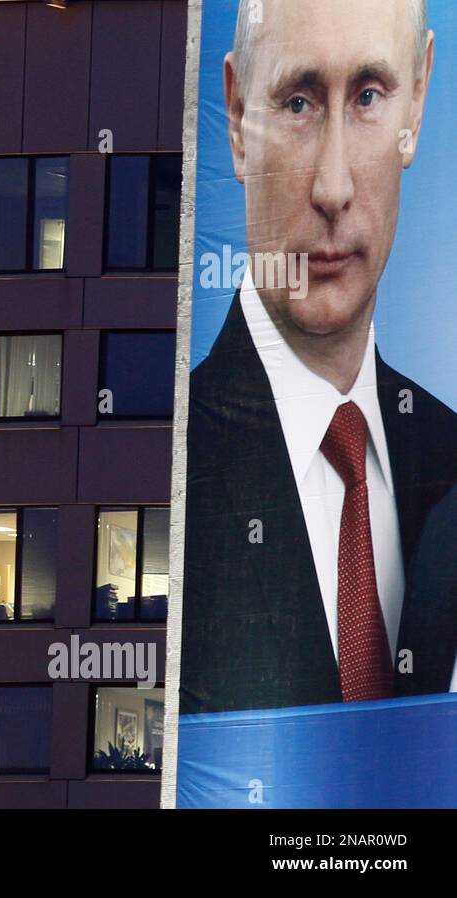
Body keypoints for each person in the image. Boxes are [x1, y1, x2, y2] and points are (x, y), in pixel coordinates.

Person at [183, 0, 457, 713]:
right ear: (239, 120)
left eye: (369, 96)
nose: (333, 188)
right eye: (298, 102)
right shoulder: (161, 468)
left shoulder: (450, 458)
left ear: (418, 103)